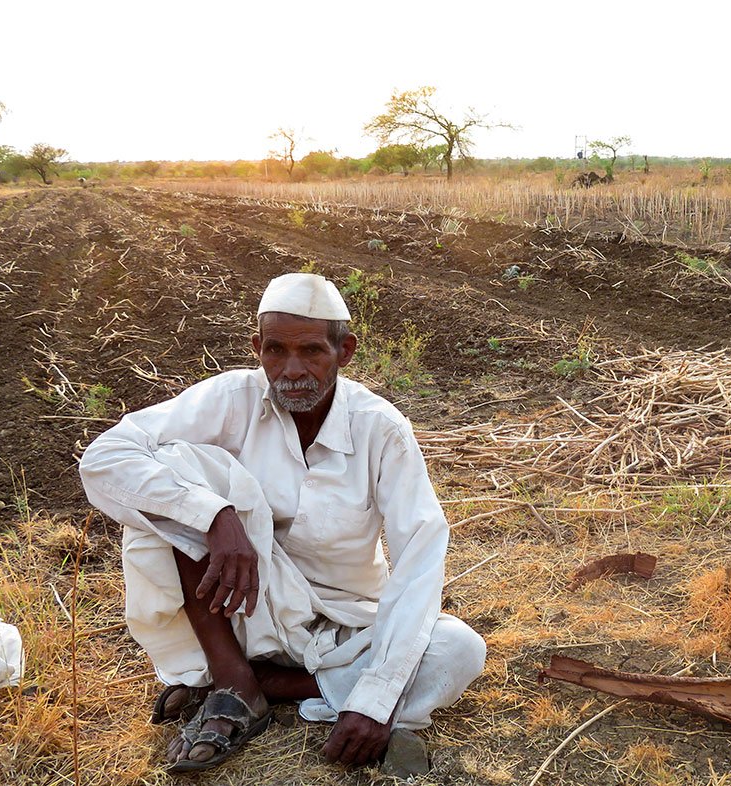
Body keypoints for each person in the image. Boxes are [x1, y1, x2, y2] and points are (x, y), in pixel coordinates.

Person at [79, 273, 485, 773]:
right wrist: (214, 516)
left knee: (459, 649)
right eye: (276, 351)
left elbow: (421, 556)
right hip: (240, 610)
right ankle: (233, 676)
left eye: (312, 351)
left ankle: (260, 684)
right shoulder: (233, 398)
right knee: (177, 473)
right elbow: (104, 459)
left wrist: (376, 701)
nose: (292, 370)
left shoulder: (381, 428)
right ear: (258, 348)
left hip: (346, 620)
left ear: (345, 351)